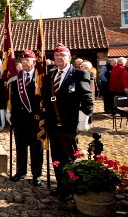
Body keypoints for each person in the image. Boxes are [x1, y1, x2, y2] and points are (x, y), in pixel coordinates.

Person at [44, 43, 93, 201]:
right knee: (57, 157)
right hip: (53, 124)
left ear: (69, 57)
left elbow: (87, 99)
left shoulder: (79, 74)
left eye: (62, 55)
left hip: (69, 123)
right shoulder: (50, 75)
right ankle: (60, 185)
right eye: (56, 56)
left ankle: (71, 188)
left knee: (69, 157)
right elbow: (46, 100)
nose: (59, 58)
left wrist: (83, 120)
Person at [7, 50, 43, 186]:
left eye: (27, 60)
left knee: (36, 148)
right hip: (20, 118)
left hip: (35, 118)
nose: (24, 63)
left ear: (34, 61)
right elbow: (14, 97)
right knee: (20, 147)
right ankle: (20, 171)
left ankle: (36, 174)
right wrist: (10, 113)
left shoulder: (40, 76)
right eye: (22, 61)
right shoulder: (17, 78)